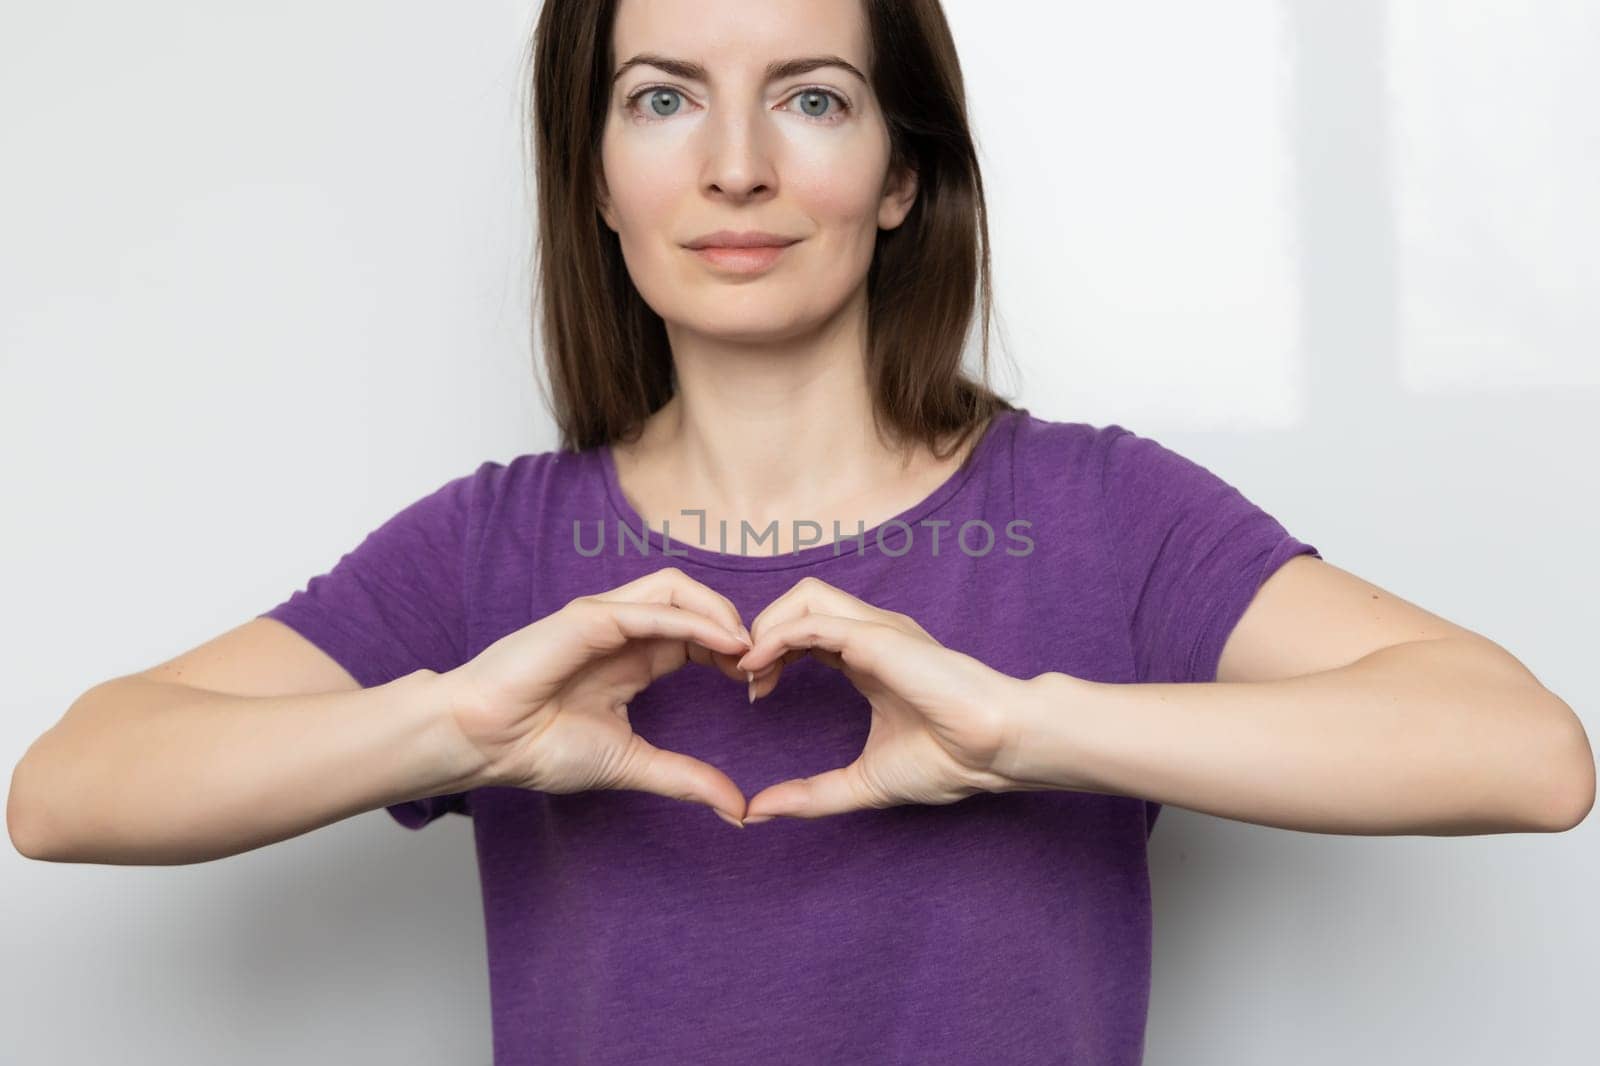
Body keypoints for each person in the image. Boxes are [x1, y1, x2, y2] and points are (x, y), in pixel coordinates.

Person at [11, 1, 1590, 1064]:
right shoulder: (491, 551)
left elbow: (1525, 753)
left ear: (902, 174)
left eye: (813, 99)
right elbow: (70, 787)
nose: (738, 164)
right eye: (662, 99)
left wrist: (1029, 728)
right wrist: (449, 727)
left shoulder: (1102, 510)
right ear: (598, 177)